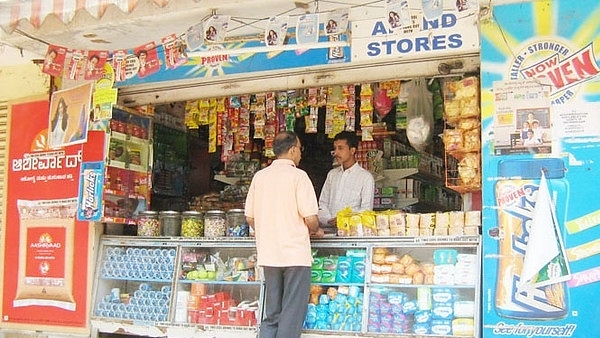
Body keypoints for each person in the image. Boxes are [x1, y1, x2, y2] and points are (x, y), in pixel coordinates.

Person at [245, 131, 324, 338]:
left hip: (269, 254)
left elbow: (250, 218)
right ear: (292, 150)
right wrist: (315, 229)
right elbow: (310, 219)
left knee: (272, 312)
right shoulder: (299, 176)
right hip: (295, 255)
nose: (300, 154)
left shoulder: (260, 177)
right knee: (291, 312)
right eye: (299, 149)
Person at [318, 131, 375, 228]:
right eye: (335, 148)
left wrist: (344, 220)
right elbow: (322, 204)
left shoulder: (365, 177)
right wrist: (329, 219)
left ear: (352, 150)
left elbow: (366, 210)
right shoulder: (332, 175)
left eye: (340, 148)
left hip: (352, 233)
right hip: (330, 231)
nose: (336, 153)